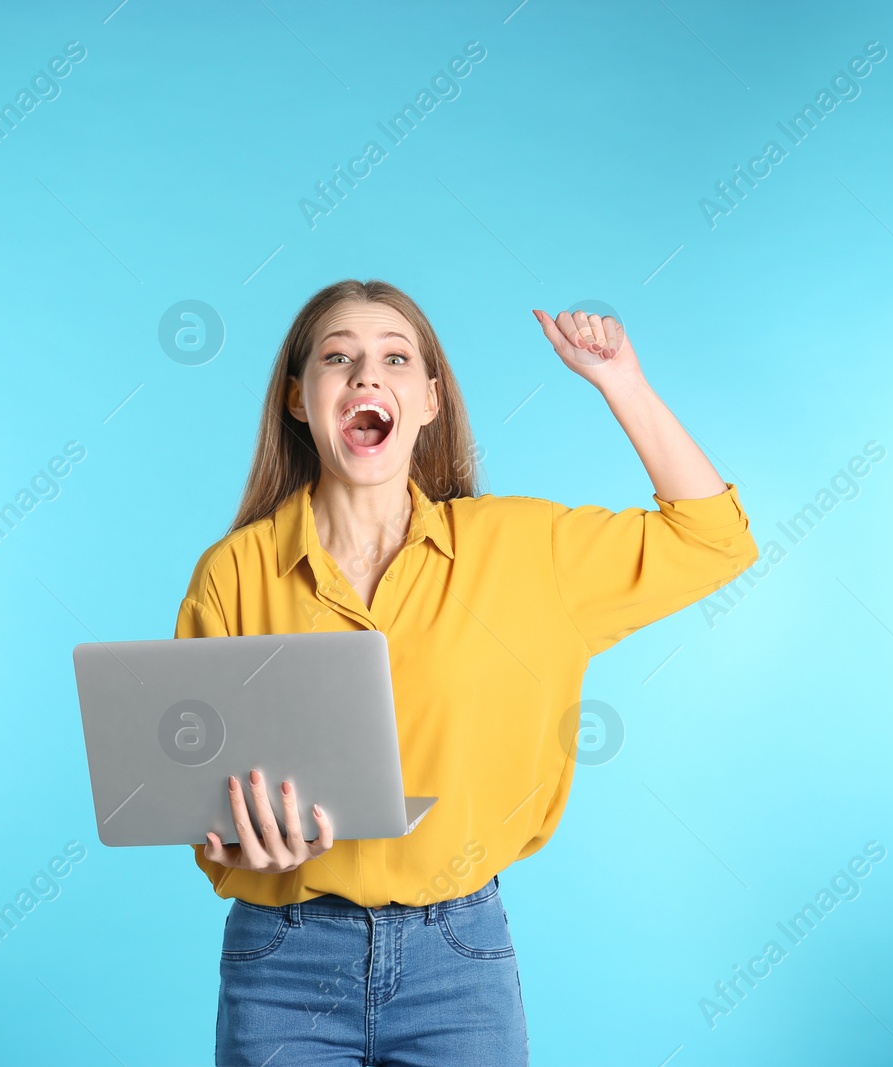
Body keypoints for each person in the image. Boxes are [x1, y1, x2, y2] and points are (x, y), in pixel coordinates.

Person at [174, 279, 758, 1066]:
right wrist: (241, 847)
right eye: (337, 358)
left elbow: (713, 538)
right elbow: (201, 801)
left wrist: (621, 381)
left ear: (429, 400)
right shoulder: (233, 572)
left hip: (457, 959)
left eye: (394, 359)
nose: (366, 377)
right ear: (298, 399)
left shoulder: (524, 551)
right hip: (283, 959)